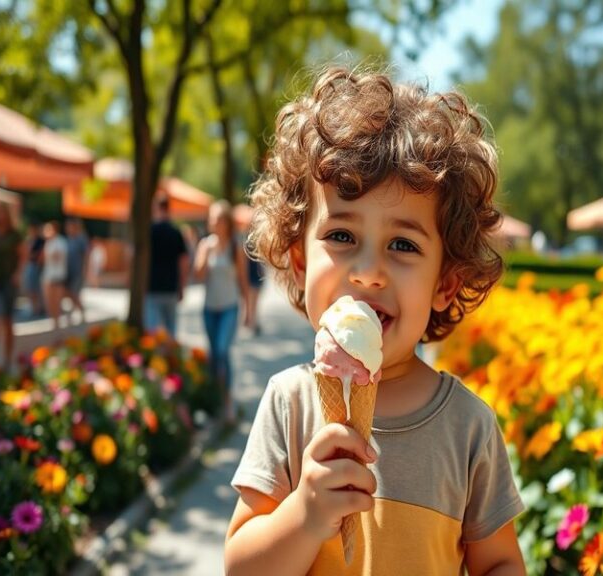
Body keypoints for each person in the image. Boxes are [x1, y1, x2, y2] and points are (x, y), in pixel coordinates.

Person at [225, 67, 526, 575]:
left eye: (403, 245)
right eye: (341, 236)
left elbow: (499, 563)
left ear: (444, 284)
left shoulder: (469, 429)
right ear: (300, 262)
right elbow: (240, 567)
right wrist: (305, 512)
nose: (368, 273)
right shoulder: (290, 404)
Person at [193, 200, 249, 425]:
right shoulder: (205, 245)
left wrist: (248, 311)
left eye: (218, 219)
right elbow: (197, 276)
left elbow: (243, 281)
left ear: (226, 223)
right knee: (213, 356)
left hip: (229, 308)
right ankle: (213, 401)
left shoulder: (236, 248)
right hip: (209, 309)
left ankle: (227, 403)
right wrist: (205, 256)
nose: (213, 223)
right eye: (212, 218)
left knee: (222, 351)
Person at [0, 202, 23, 373]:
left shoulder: (15, 235)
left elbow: (23, 256)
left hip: (9, 280)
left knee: (7, 321)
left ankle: (7, 359)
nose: (0, 216)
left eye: (2, 213)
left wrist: (18, 274)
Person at [146, 195, 188, 338]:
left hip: (152, 288)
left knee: (152, 333)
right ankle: (170, 358)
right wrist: (182, 286)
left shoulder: (149, 232)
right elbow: (183, 262)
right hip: (171, 288)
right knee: (171, 332)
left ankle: (157, 359)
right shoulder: (176, 233)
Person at [41, 221, 68, 332]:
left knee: (56, 301)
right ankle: (53, 321)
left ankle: (57, 321)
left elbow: (58, 257)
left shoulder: (60, 242)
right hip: (48, 275)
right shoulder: (49, 243)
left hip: (57, 276)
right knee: (49, 300)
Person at [64, 218, 89, 324]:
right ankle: (73, 312)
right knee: (71, 293)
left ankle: (79, 312)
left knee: (75, 293)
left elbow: (86, 256)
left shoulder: (81, 239)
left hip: (78, 271)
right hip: (69, 271)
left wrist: (85, 270)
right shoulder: (69, 239)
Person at [23, 221, 45, 317]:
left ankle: (39, 308)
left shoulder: (40, 241)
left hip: (36, 266)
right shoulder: (29, 240)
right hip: (30, 265)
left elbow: (39, 255)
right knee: (30, 288)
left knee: (37, 288)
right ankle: (34, 307)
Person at [243, 256, 265, 336]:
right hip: (251, 271)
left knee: (253, 299)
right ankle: (251, 320)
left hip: (255, 271)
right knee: (251, 299)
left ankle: (251, 320)